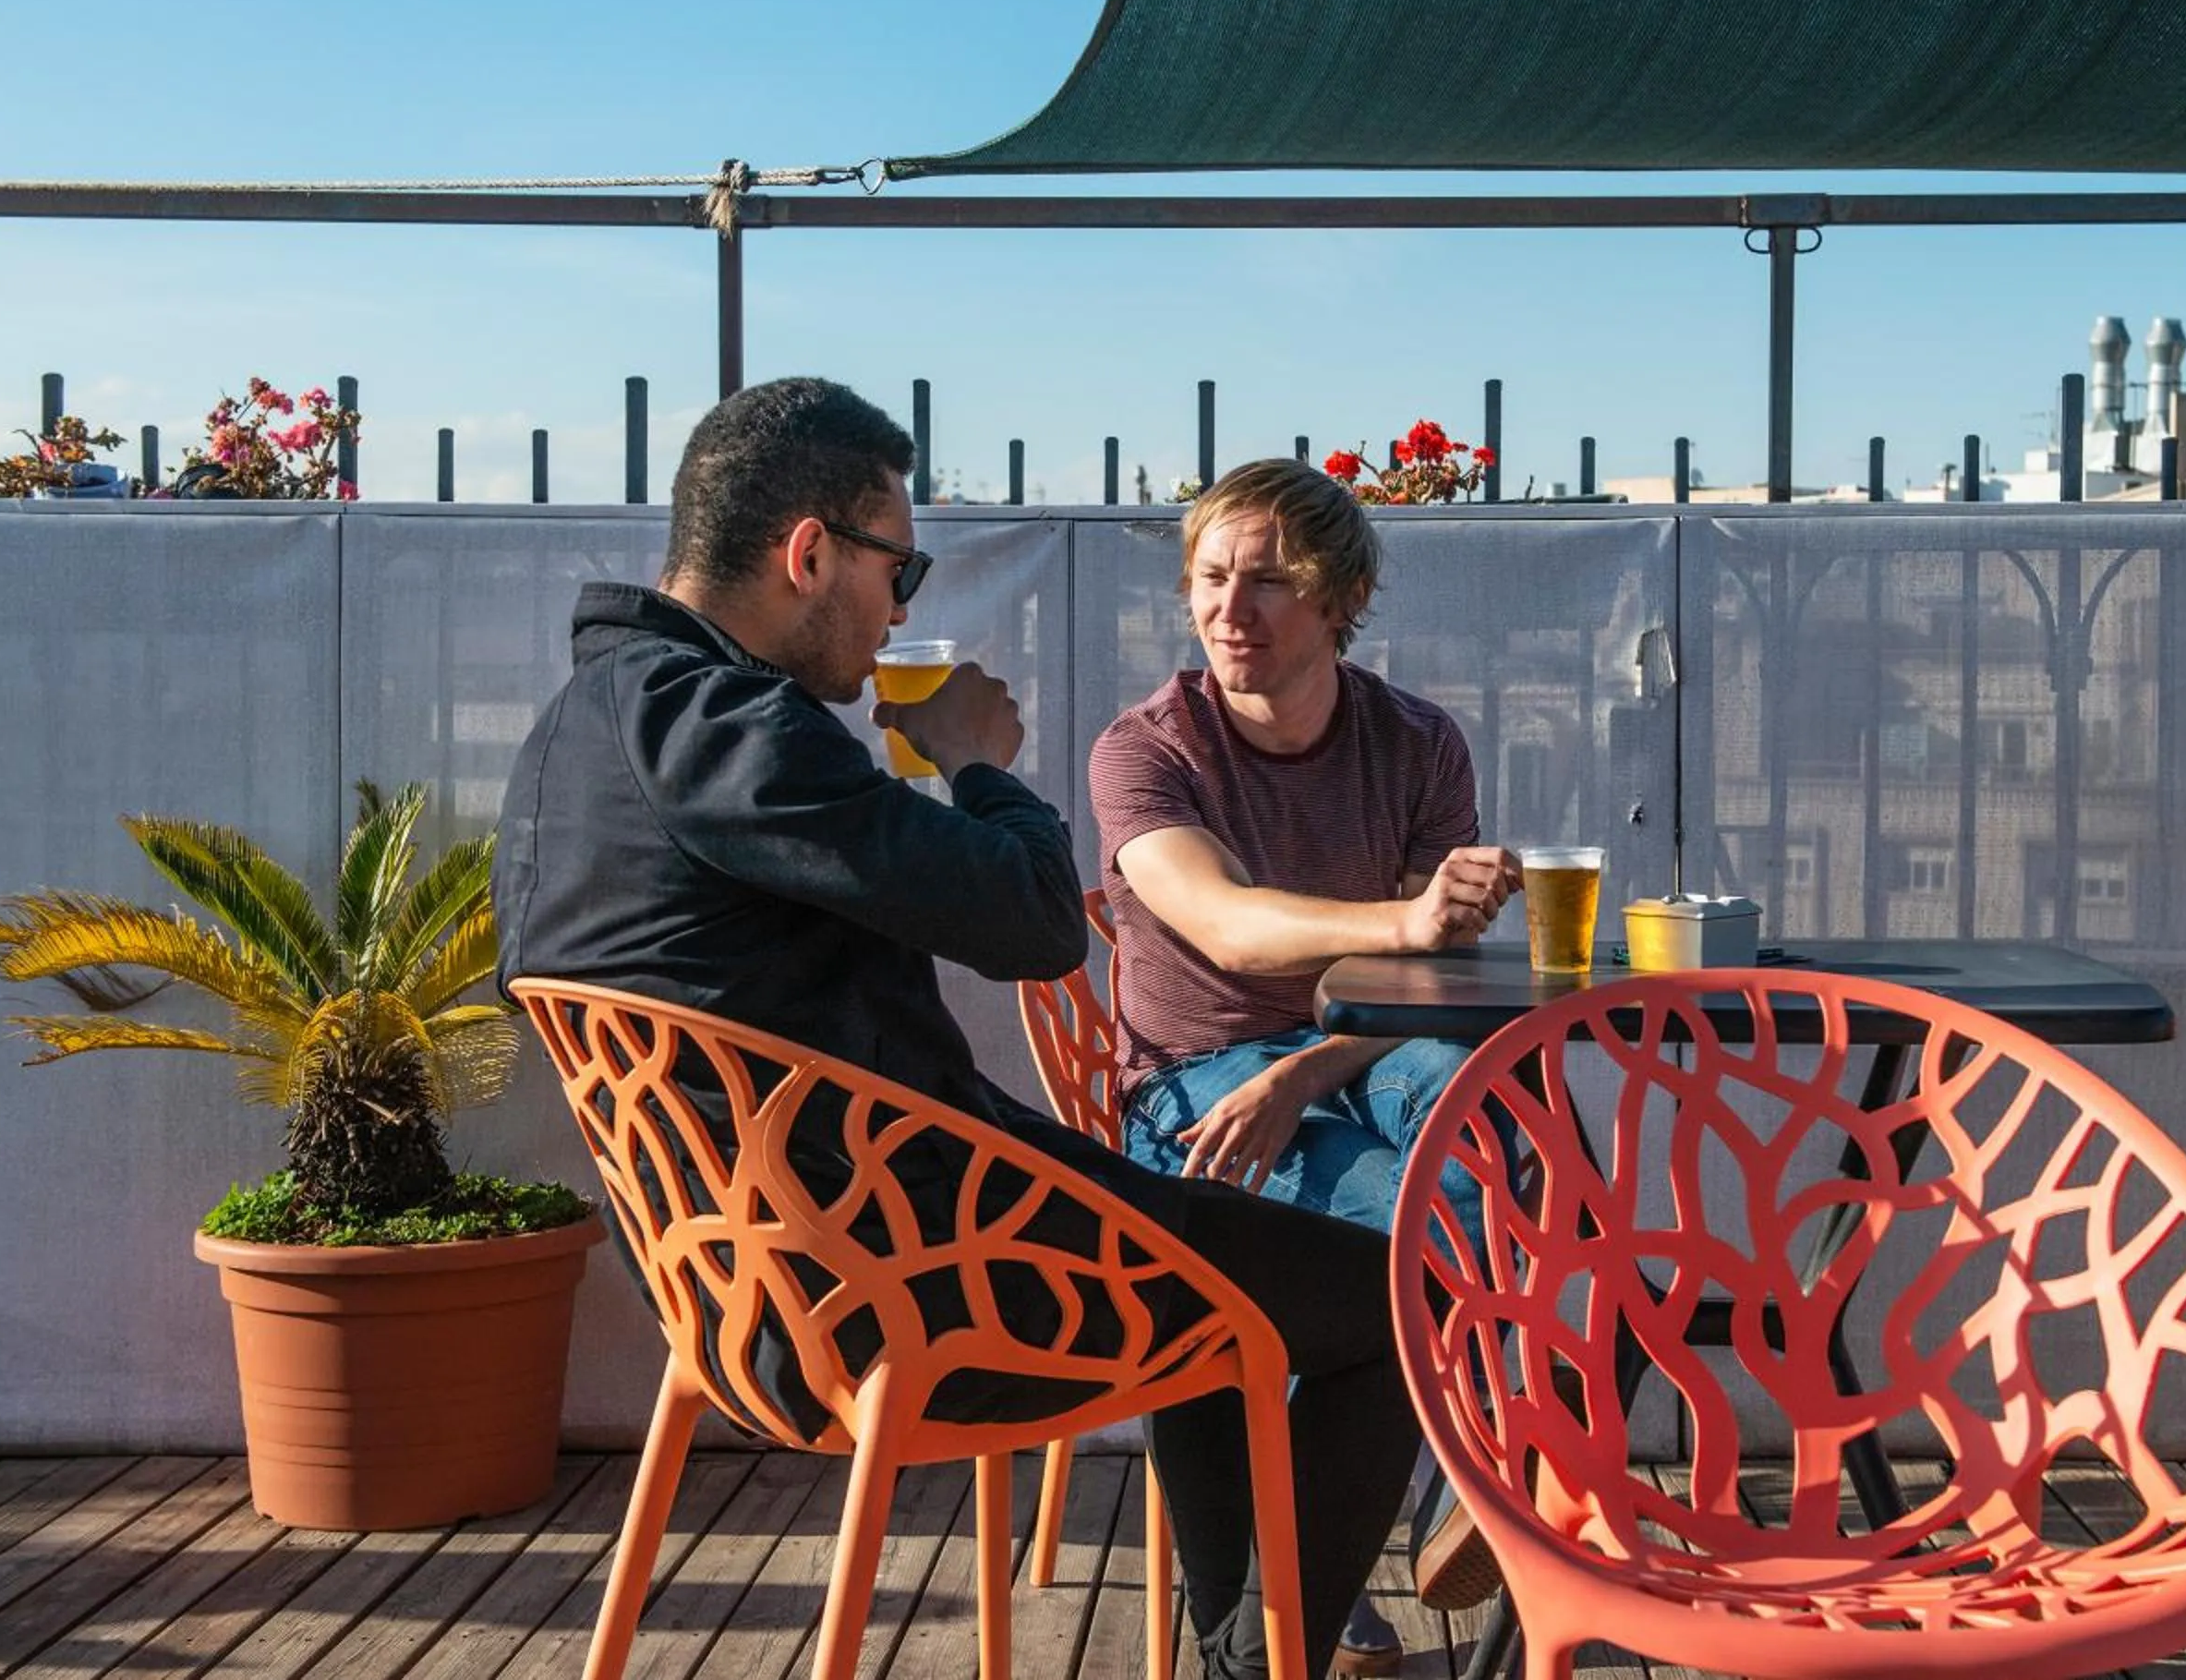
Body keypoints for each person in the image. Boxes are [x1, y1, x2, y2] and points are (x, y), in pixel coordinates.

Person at [493, 380, 1418, 1680]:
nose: (901, 608)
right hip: (922, 1283)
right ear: (810, 553)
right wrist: (978, 759)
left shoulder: (570, 736)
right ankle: (1257, 1662)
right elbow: (1040, 920)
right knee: (1389, 1298)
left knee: (1229, 1266)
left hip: (740, 1296)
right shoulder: (731, 729)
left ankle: (1240, 1651)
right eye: (899, 565)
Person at [1087, 457, 1520, 1617]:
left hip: (1362, 1046)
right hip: (1196, 1084)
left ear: (1342, 599)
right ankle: (1357, 1544)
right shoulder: (1147, 747)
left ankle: (1460, 1478)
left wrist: (1314, 1068)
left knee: (1493, 1111)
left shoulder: (1418, 740)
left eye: (1270, 581)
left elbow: (1436, 978)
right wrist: (1404, 923)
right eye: (1212, 577)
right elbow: (1226, 926)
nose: (1232, 609)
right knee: (1411, 1228)